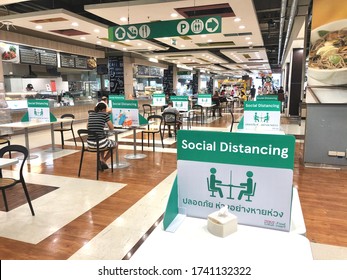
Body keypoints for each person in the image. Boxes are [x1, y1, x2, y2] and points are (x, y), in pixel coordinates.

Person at [87, 102, 116, 170]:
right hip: (99, 143)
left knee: (103, 141)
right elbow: (111, 128)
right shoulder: (104, 115)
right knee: (115, 145)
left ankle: (101, 160)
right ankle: (104, 160)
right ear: (103, 110)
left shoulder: (91, 114)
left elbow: (87, 127)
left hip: (89, 144)